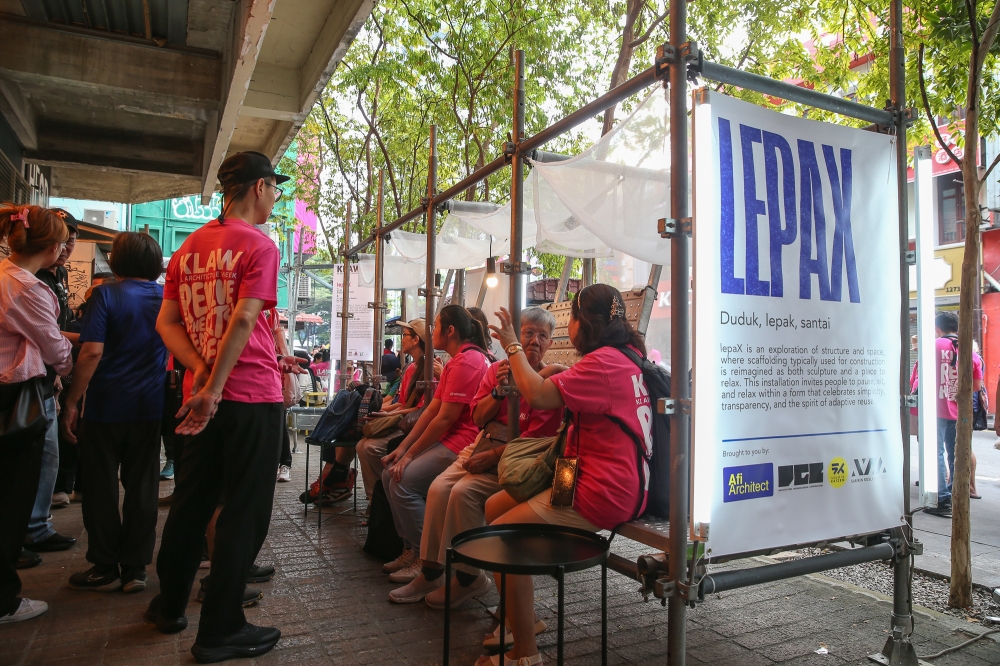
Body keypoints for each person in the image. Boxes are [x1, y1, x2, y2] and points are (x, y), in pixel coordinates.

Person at [149, 151, 295, 662]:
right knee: (244, 511)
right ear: (258, 186)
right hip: (250, 393)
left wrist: (203, 378)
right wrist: (217, 385)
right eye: (274, 187)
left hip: (201, 395)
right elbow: (242, 319)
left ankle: (168, 606)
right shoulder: (259, 244)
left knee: (192, 501)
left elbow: (167, 324)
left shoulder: (188, 247)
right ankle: (221, 627)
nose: (275, 196)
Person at [479, 285, 652, 666]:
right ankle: (522, 616)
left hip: (600, 490)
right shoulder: (628, 356)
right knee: (494, 507)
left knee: (501, 538)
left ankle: (524, 654)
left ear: (583, 323)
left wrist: (512, 345)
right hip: (581, 474)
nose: (567, 325)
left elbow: (538, 395)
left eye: (569, 318)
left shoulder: (603, 362)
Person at [388, 307, 563, 606]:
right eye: (528, 333)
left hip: (517, 460)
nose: (534, 341)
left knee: (463, 493)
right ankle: (431, 571)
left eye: (542, 336)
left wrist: (493, 455)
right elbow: (478, 418)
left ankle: (469, 578)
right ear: (515, 338)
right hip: (482, 444)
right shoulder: (496, 370)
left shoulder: (549, 383)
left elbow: (537, 442)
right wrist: (498, 392)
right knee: (438, 488)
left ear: (550, 342)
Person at [60, 232, 167, 593]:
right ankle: (135, 568)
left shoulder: (105, 294)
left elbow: (91, 353)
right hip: (150, 406)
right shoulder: (166, 297)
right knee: (143, 486)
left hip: (106, 406)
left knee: (101, 487)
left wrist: (72, 402)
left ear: (117, 261)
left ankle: (104, 564)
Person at [380, 306, 491, 581]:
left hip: (462, 442)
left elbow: (445, 419)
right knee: (389, 472)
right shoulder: (455, 360)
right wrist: (403, 449)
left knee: (402, 482)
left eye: (436, 326)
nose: (432, 333)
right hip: (447, 438)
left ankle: (425, 558)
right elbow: (431, 411)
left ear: (450, 331)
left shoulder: (468, 361)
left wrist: (409, 455)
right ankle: (411, 548)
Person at [0, 204, 73, 624]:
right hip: (15, 398)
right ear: (49, 247)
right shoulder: (27, 288)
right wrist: (67, 366)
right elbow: (54, 348)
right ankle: (4, 599)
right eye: (62, 241)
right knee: (12, 498)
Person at [25, 209, 80, 553]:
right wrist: (80, 347)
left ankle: (35, 525)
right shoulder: (27, 284)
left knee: (47, 455)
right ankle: (29, 529)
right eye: (63, 241)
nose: (66, 248)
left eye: (71, 241)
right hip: (25, 385)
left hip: (43, 381)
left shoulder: (51, 276)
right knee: (34, 459)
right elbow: (49, 338)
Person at [914, 312, 982, 517]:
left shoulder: (931, 347)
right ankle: (956, 495)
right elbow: (976, 386)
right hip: (960, 411)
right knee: (958, 454)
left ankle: (940, 499)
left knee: (935, 453)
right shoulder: (971, 352)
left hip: (934, 409)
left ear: (937, 329)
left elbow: (917, 381)